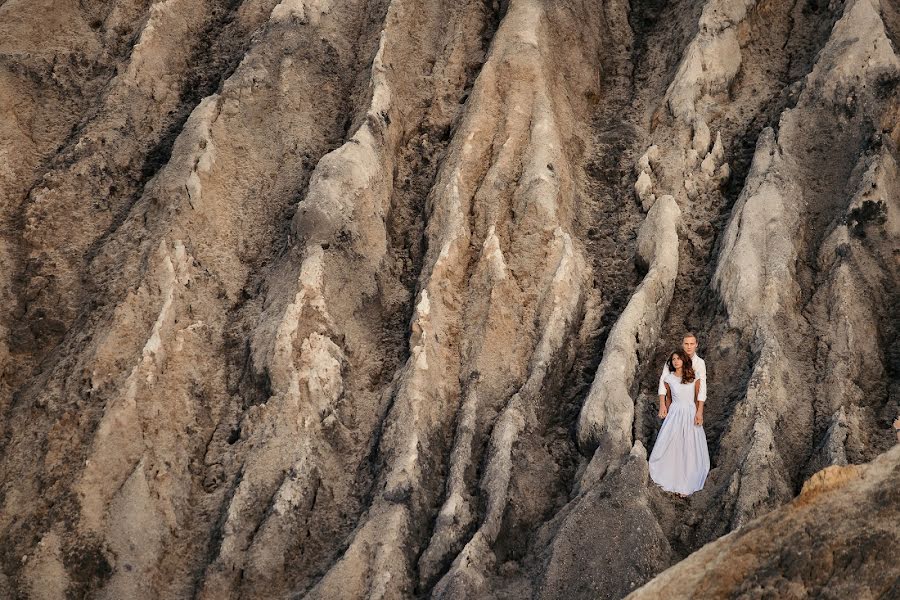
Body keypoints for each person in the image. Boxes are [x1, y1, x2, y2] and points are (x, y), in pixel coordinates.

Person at [648, 348, 710, 496]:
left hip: (689, 412)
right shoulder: (668, 379)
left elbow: (697, 398)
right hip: (675, 413)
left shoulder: (694, 377)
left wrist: (698, 413)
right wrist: (665, 412)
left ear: (684, 360)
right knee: (671, 444)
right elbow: (669, 398)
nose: (675, 361)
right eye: (673, 359)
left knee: (689, 446)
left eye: (678, 358)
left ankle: (688, 482)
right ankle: (668, 475)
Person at [658, 332, 706, 417]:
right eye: (686, 344)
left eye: (692, 344)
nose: (689, 347)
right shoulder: (672, 361)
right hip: (674, 406)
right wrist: (662, 405)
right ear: (682, 344)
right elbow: (663, 380)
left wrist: (699, 412)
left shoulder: (700, 363)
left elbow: (702, 388)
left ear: (696, 345)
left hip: (691, 406)